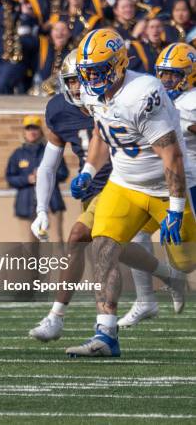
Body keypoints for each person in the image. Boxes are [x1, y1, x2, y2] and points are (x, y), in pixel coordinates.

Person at [28, 47, 182, 342]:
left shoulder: (114, 99)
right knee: (113, 248)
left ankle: (57, 318)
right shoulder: (59, 110)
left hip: (121, 184)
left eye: (79, 79)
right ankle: (167, 277)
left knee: (77, 238)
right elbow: (48, 165)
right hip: (92, 190)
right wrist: (41, 210)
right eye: (71, 80)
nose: (77, 86)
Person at [65, 28, 196, 357]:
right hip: (123, 185)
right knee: (104, 247)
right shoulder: (94, 94)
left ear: (120, 63)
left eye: (99, 68)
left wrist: (177, 208)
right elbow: (101, 131)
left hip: (165, 189)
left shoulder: (143, 92)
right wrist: (88, 170)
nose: (92, 76)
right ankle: (106, 334)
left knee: (187, 262)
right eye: (88, 70)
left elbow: (171, 155)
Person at [118, 42, 195, 327]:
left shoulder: (190, 102)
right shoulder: (157, 96)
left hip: (190, 185)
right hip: (163, 184)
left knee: (187, 259)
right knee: (134, 235)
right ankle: (145, 300)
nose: (167, 81)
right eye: (163, 74)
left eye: (174, 75)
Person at [6, 114, 68, 243]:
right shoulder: (18, 154)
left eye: (35, 128)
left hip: (52, 204)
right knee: (28, 247)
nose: (32, 132)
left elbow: (63, 173)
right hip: (26, 205)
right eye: (29, 128)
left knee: (56, 243)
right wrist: (27, 179)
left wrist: (46, 176)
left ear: (41, 131)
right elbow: (10, 178)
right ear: (24, 132)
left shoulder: (51, 150)